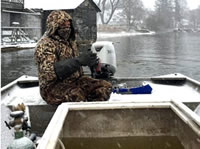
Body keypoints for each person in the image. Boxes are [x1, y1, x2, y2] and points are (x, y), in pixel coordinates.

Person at [34, 10, 112, 105]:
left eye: (68, 22)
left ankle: (93, 114)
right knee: (77, 95)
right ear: (54, 25)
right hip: (52, 87)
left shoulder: (71, 41)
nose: (67, 25)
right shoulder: (45, 44)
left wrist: (92, 64)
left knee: (104, 87)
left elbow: (77, 62)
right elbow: (48, 72)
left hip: (76, 81)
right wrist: (79, 61)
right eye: (63, 23)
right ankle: (78, 117)